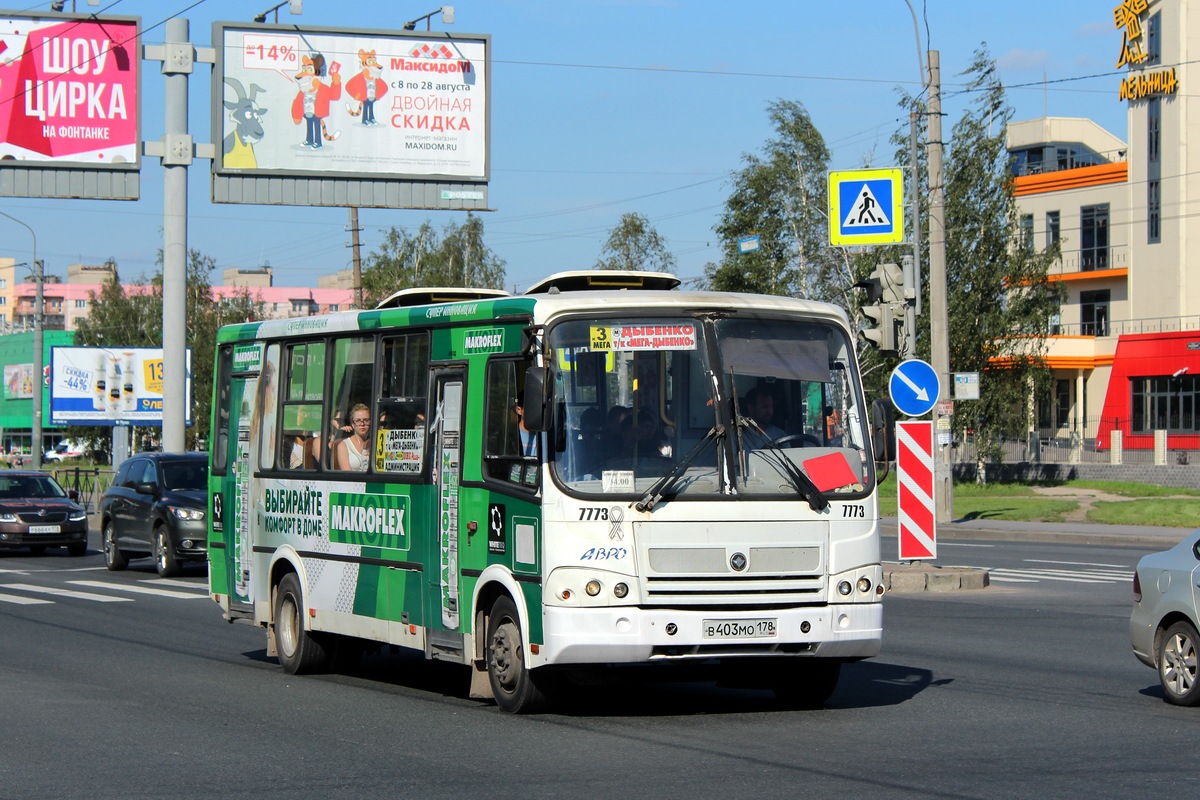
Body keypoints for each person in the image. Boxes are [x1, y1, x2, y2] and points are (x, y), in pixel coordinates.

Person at [336, 403, 371, 472]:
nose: (362, 424)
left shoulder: (375, 443)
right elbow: (346, 474)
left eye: (366, 420)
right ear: (352, 424)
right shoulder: (343, 445)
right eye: (358, 421)